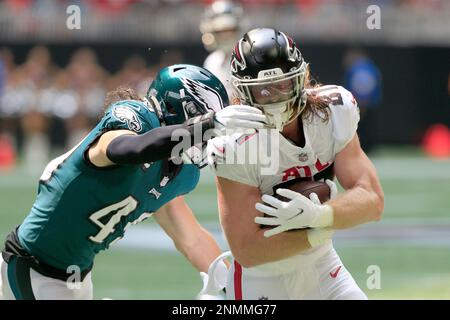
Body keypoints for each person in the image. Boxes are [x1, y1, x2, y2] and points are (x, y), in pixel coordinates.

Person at [0, 64, 266, 300]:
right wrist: (203, 127)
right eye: (203, 118)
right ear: (172, 108)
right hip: (32, 266)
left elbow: (191, 237)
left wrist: (234, 288)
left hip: (75, 277)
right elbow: (127, 149)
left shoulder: (179, 171)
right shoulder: (134, 119)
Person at [207, 28, 384, 300]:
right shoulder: (232, 144)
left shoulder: (333, 110)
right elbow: (246, 249)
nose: (276, 98)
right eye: (263, 90)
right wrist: (315, 233)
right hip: (262, 281)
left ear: (303, 77)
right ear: (243, 92)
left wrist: (320, 216)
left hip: (324, 267)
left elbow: (372, 200)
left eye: (283, 85)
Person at [200, 0, 243, 97]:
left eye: (230, 30)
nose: (225, 36)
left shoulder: (247, 57)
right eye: (220, 31)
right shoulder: (212, 60)